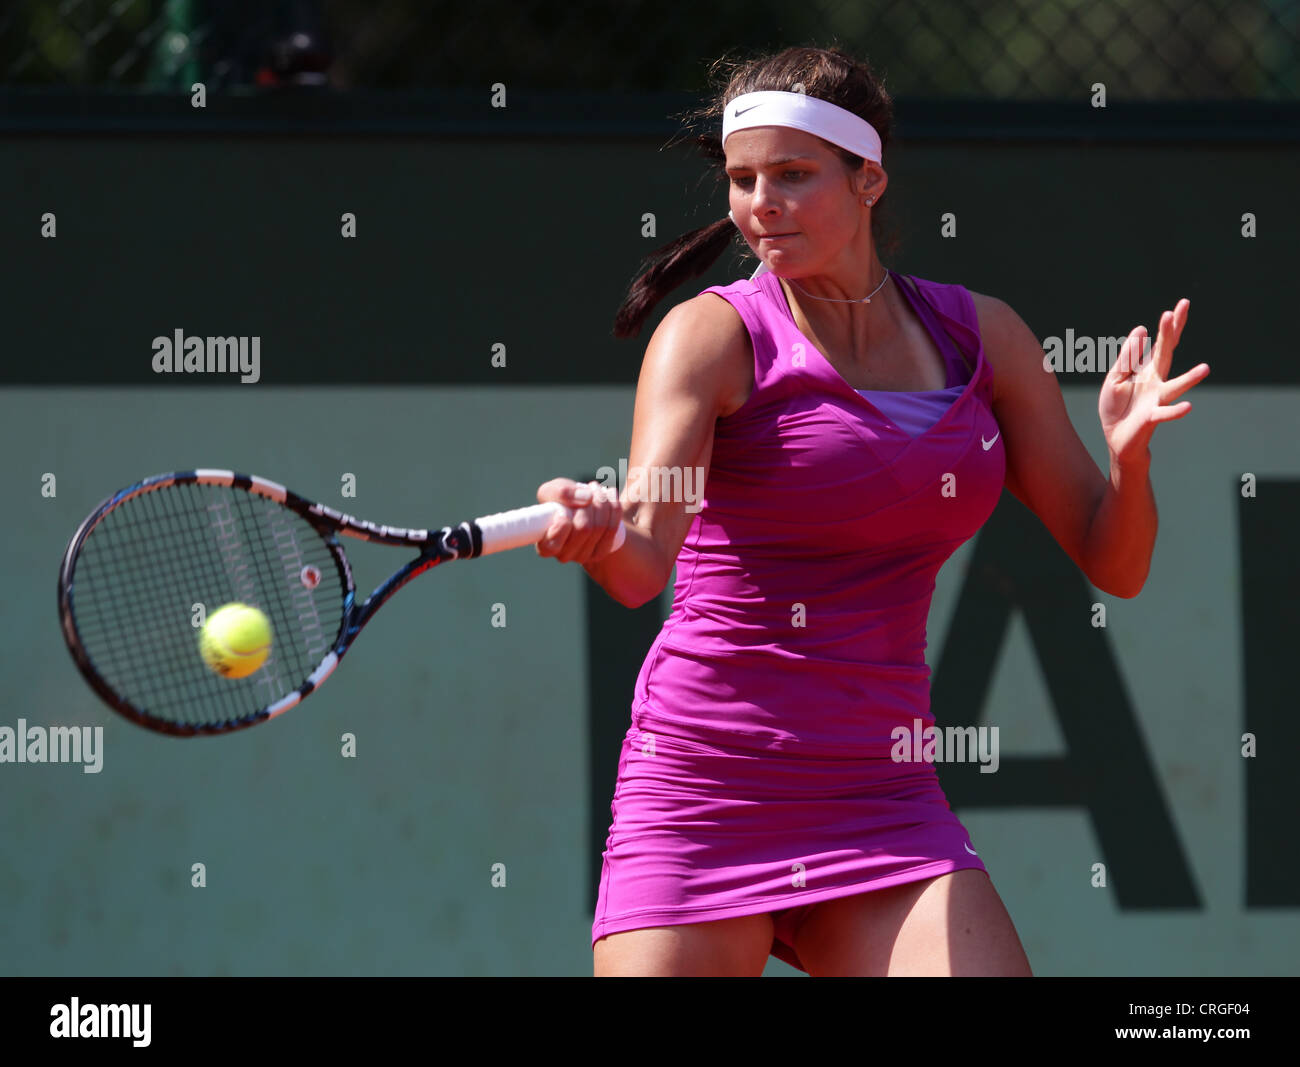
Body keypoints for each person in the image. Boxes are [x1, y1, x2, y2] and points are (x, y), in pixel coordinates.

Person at [535, 45, 1207, 977]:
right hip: (708, 786)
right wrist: (601, 532)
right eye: (741, 179)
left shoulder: (985, 339)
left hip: (881, 798)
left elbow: (1115, 561)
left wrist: (1129, 462)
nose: (761, 202)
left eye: (793, 175)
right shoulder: (710, 337)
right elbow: (644, 559)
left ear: (870, 178)